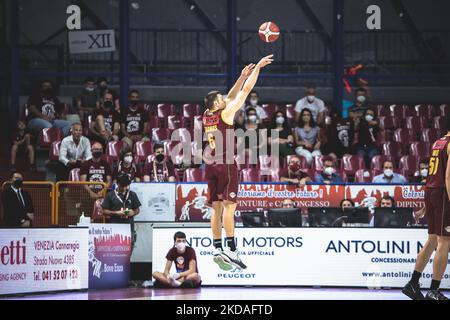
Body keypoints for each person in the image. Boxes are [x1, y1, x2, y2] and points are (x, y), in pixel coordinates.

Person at [203, 54, 273, 271]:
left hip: (211, 165)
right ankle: (232, 249)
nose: (225, 98)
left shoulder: (207, 114)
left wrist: (241, 76)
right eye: (221, 98)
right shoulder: (227, 113)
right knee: (229, 207)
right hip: (226, 164)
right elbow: (244, 93)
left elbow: (232, 94)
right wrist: (256, 70)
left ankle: (217, 248)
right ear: (218, 103)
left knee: (215, 208)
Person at [402, 115, 450, 300]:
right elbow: (447, 177)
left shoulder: (438, 142)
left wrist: (426, 204)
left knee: (431, 241)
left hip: (431, 191)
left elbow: (433, 174)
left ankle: (413, 284)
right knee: (444, 241)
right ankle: (434, 290)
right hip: (443, 193)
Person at [101, 173, 141, 250]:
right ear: (117, 184)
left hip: (129, 228)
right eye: (122, 185)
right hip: (115, 228)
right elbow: (103, 211)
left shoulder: (132, 194)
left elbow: (137, 209)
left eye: (126, 186)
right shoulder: (110, 195)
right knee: (115, 251)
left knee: (129, 249)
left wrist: (133, 212)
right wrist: (116, 213)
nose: (124, 188)